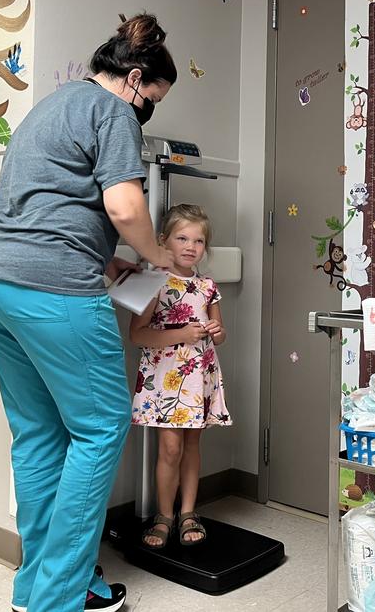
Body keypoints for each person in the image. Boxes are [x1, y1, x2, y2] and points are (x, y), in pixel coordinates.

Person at [0, 13, 177, 612]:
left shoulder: (50, 107)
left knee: (38, 436)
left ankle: (43, 588)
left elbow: (47, 206)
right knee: (103, 426)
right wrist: (156, 253)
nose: (144, 115)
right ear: (134, 79)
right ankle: (58, 599)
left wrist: (105, 261)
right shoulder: (111, 111)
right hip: (51, 290)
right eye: (150, 103)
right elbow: (125, 205)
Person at [128, 204, 232, 549]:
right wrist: (180, 336)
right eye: (182, 238)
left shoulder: (207, 286)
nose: (190, 246)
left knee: (191, 446)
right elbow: (138, 335)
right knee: (169, 449)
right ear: (164, 241)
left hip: (198, 375)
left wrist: (216, 331)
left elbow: (219, 334)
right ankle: (164, 515)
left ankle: (189, 511)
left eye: (198, 241)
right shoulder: (154, 282)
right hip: (165, 378)